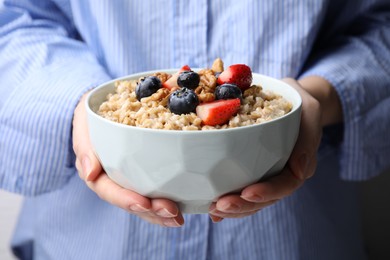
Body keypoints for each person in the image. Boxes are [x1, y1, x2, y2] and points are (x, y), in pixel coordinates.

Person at [1, 0, 389, 259]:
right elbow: (14, 20)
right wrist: (81, 105)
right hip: (87, 241)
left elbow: (380, 24)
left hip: (296, 237)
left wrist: (319, 95)